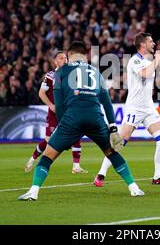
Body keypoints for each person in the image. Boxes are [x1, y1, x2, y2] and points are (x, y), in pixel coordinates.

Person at [18, 41, 144, 200]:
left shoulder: (62, 71)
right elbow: (106, 102)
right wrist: (112, 127)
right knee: (112, 153)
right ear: (84, 55)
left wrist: (64, 127)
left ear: (69, 55)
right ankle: (134, 188)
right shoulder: (96, 72)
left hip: (72, 118)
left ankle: (33, 192)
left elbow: (59, 103)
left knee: (48, 157)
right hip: (95, 118)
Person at [94, 32, 160, 187]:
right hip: (135, 108)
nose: (154, 44)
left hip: (149, 108)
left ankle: (158, 176)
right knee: (119, 143)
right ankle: (101, 174)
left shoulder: (147, 60)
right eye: (151, 41)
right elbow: (144, 74)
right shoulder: (135, 60)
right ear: (143, 44)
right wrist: (158, 60)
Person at [24, 51, 88, 174]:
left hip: (69, 112)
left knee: (77, 134)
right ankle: (33, 158)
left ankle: (76, 166)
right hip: (54, 113)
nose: (65, 60)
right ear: (55, 61)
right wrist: (51, 105)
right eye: (61, 58)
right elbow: (41, 93)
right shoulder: (50, 76)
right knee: (49, 140)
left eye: (66, 58)